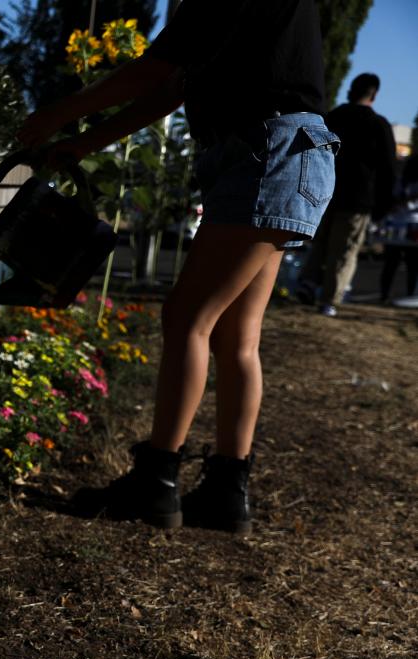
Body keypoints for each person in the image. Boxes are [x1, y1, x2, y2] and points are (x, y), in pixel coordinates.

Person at [18, 0, 335, 534]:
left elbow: (155, 69)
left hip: (268, 151)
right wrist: (86, 141)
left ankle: (156, 481)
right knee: (237, 335)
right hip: (290, 151)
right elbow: (175, 86)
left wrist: (58, 114)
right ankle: (226, 492)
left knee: (188, 318)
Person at [302, 73, 397, 316]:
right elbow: (387, 168)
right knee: (344, 251)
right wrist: (383, 205)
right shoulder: (378, 125)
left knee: (320, 243)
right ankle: (329, 300)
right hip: (358, 198)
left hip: (324, 191)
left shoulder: (333, 117)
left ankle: (309, 282)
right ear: (373, 95)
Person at [377, 152, 418, 303]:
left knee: (412, 265)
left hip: (413, 226)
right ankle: (385, 295)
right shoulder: (400, 181)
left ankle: (409, 295)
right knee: (391, 263)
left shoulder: (403, 181)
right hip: (396, 225)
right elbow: (393, 201)